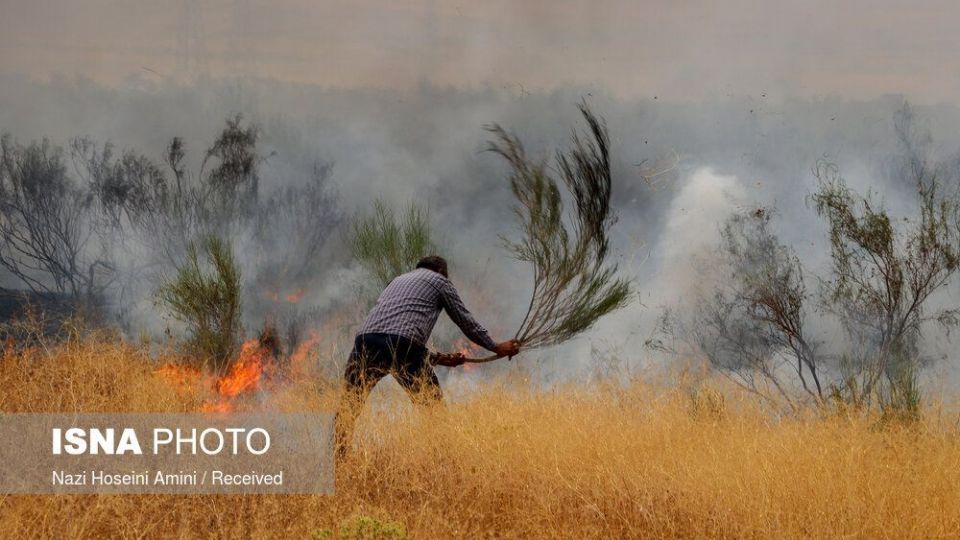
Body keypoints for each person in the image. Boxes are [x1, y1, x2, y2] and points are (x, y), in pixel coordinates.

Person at [335, 255, 520, 455]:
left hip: (365, 341)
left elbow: (393, 334)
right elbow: (465, 321)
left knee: (348, 408)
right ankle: (442, 463)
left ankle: (338, 461)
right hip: (403, 346)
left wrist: (438, 359)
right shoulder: (440, 281)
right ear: (442, 271)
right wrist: (496, 347)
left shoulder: (397, 280)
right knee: (433, 412)